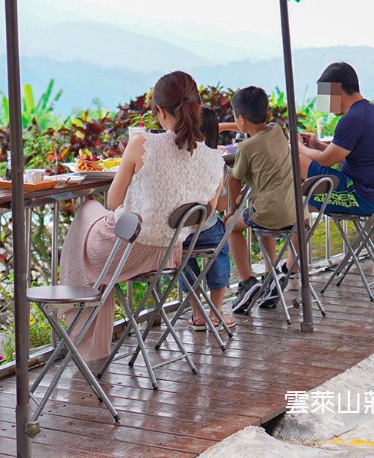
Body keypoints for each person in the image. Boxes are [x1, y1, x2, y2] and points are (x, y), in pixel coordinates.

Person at [58, 71, 225, 362]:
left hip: (125, 250)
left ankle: (83, 331)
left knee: (88, 211)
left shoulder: (142, 145)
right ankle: (91, 341)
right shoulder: (214, 160)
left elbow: (113, 201)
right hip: (168, 256)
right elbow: (204, 212)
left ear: (159, 111)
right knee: (101, 265)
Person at [225, 86, 297, 315]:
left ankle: (247, 281)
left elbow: (233, 180)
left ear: (241, 120)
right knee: (261, 214)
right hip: (296, 211)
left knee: (231, 227)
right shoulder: (278, 131)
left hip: (269, 214)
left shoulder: (246, 146)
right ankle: (270, 277)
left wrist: (231, 209)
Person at [298, 61, 374, 216]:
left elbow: (325, 161)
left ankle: (277, 216)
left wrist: (298, 146)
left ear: (337, 89)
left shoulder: (352, 119)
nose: (325, 103)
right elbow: (346, 156)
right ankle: (294, 214)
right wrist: (317, 144)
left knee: (296, 160)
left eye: (325, 94)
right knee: (301, 204)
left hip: (362, 198)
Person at [180, 106, 236, 331]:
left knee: (183, 260)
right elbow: (222, 205)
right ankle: (216, 311)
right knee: (220, 252)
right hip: (208, 231)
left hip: (180, 233)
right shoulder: (216, 162)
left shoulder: (176, 160)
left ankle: (197, 314)